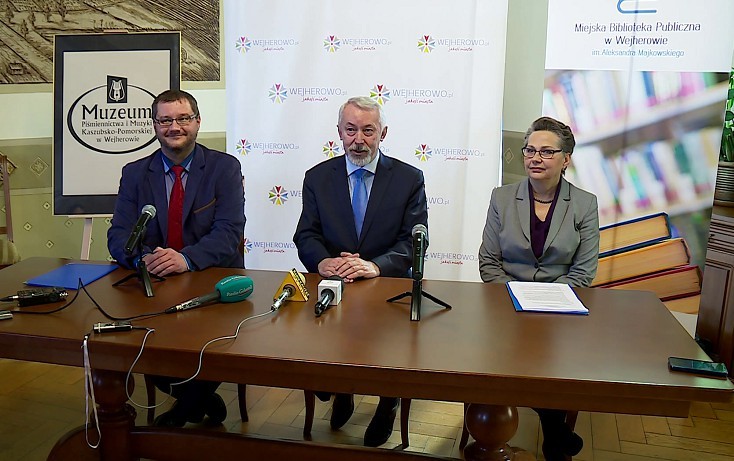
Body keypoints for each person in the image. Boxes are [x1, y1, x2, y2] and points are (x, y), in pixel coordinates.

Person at [293, 96, 428, 446]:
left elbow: (414, 241)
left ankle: (388, 402)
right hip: (335, 284)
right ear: (339, 132)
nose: (359, 140)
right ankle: (343, 390)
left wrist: (374, 265)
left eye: (368, 131)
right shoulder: (318, 177)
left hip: (386, 287)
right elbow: (306, 234)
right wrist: (322, 262)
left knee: (390, 349)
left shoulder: (408, 179)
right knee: (318, 346)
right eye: (351, 130)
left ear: (383, 133)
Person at [107, 89, 245, 427]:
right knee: (146, 347)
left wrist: (186, 259)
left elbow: (229, 232)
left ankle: (179, 417)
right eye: (165, 120)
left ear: (197, 122)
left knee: (217, 348)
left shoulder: (224, 168)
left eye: (183, 118)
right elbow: (119, 235)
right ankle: (199, 400)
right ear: (155, 126)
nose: (174, 127)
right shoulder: (135, 173)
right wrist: (142, 260)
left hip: (214, 282)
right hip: (157, 284)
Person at [478, 116, 599, 461]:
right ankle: (555, 431)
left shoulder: (585, 203)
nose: (535, 158)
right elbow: (488, 263)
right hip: (506, 306)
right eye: (530, 150)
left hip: (561, 310)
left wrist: (546, 301)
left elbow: (584, 271)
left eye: (546, 152)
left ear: (566, 159)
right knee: (514, 353)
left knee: (551, 354)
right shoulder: (502, 198)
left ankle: (552, 429)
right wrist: (519, 298)